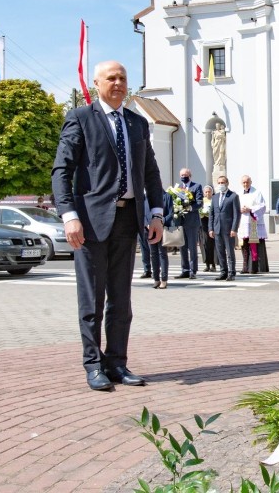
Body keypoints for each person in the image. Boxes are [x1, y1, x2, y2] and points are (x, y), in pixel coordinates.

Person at [51, 60, 164, 391]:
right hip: (89, 224)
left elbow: (151, 173)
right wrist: (69, 215)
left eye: (123, 78)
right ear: (96, 83)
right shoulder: (81, 118)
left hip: (128, 220)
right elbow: (62, 170)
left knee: (121, 298)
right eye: (111, 78)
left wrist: (156, 213)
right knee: (92, 300)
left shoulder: (138, 123)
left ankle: (117, 362)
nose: (118, 83)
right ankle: (92, 364)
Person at [174, 168, 204, 279]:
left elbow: (200, 202)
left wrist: (190, 207)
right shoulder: (178, 188)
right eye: (181, 175)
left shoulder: (196, 186)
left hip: (192, 222)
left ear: (190, 176)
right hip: (181, 221)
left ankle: (193, 270)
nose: (183, 177)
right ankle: (185, 269)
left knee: (192, 247)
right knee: (182, 247)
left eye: (185, 175)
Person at [209, 175, 240, 280]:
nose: (221, 185)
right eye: (219, 183)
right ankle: (223, 272)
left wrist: (234, 229)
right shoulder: (215, 197)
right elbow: (212, 214)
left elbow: (237, 214)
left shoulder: (233, 196)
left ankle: (232, 272)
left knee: (230, 252)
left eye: (223, 182)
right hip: (217, 229)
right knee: (220, 252)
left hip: (228, 229)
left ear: (227, 183)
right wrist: (211, 228)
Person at [238, 175, 269, 273]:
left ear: (251, 182)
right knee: (244, 246)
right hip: (243, 222)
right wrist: (240, 209)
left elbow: (262, 206)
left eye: (247, 182)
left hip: (253, 222)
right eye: (243, 182)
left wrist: (250, 209)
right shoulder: (239, 194)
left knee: (254, 246)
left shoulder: (257, 192)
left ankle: (254, 268)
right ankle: (245, 267)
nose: (245, 184)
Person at [149, 189, 174, 289]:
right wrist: (147, 222)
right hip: (150, 228)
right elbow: (145, 210)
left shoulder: (167, 196)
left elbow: (171, 213)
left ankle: (164, 279)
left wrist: (161, 221)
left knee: (162, 253)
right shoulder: (148, 196)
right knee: (153, 254)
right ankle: (156, 279)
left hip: (163, 228)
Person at [199, 185, 216, 272]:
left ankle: (213, 264)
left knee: (212, 244)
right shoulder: (201, 201)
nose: (207, 193)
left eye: (209, 192)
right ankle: (207, 264)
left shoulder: (214, 200)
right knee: (205, 243)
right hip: (204, 222)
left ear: (212, 192)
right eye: (206, 192)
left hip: (212, 223)